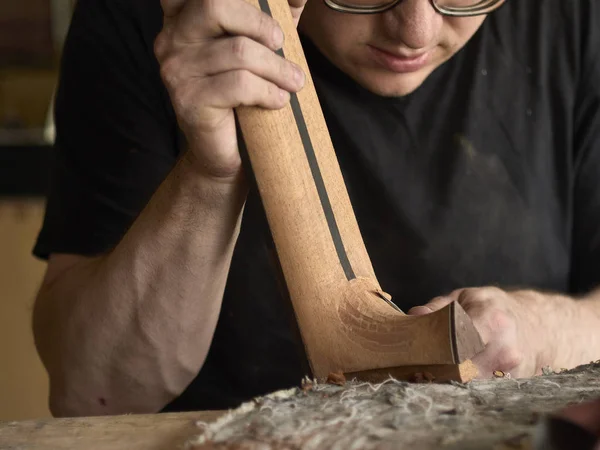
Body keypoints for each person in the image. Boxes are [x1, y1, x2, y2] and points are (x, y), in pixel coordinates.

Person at [31, 0, 600, 419]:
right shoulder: (144, 19)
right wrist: (209, 173)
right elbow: (92, 394)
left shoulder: (579, 19)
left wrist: (544, 328)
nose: (415, 30)